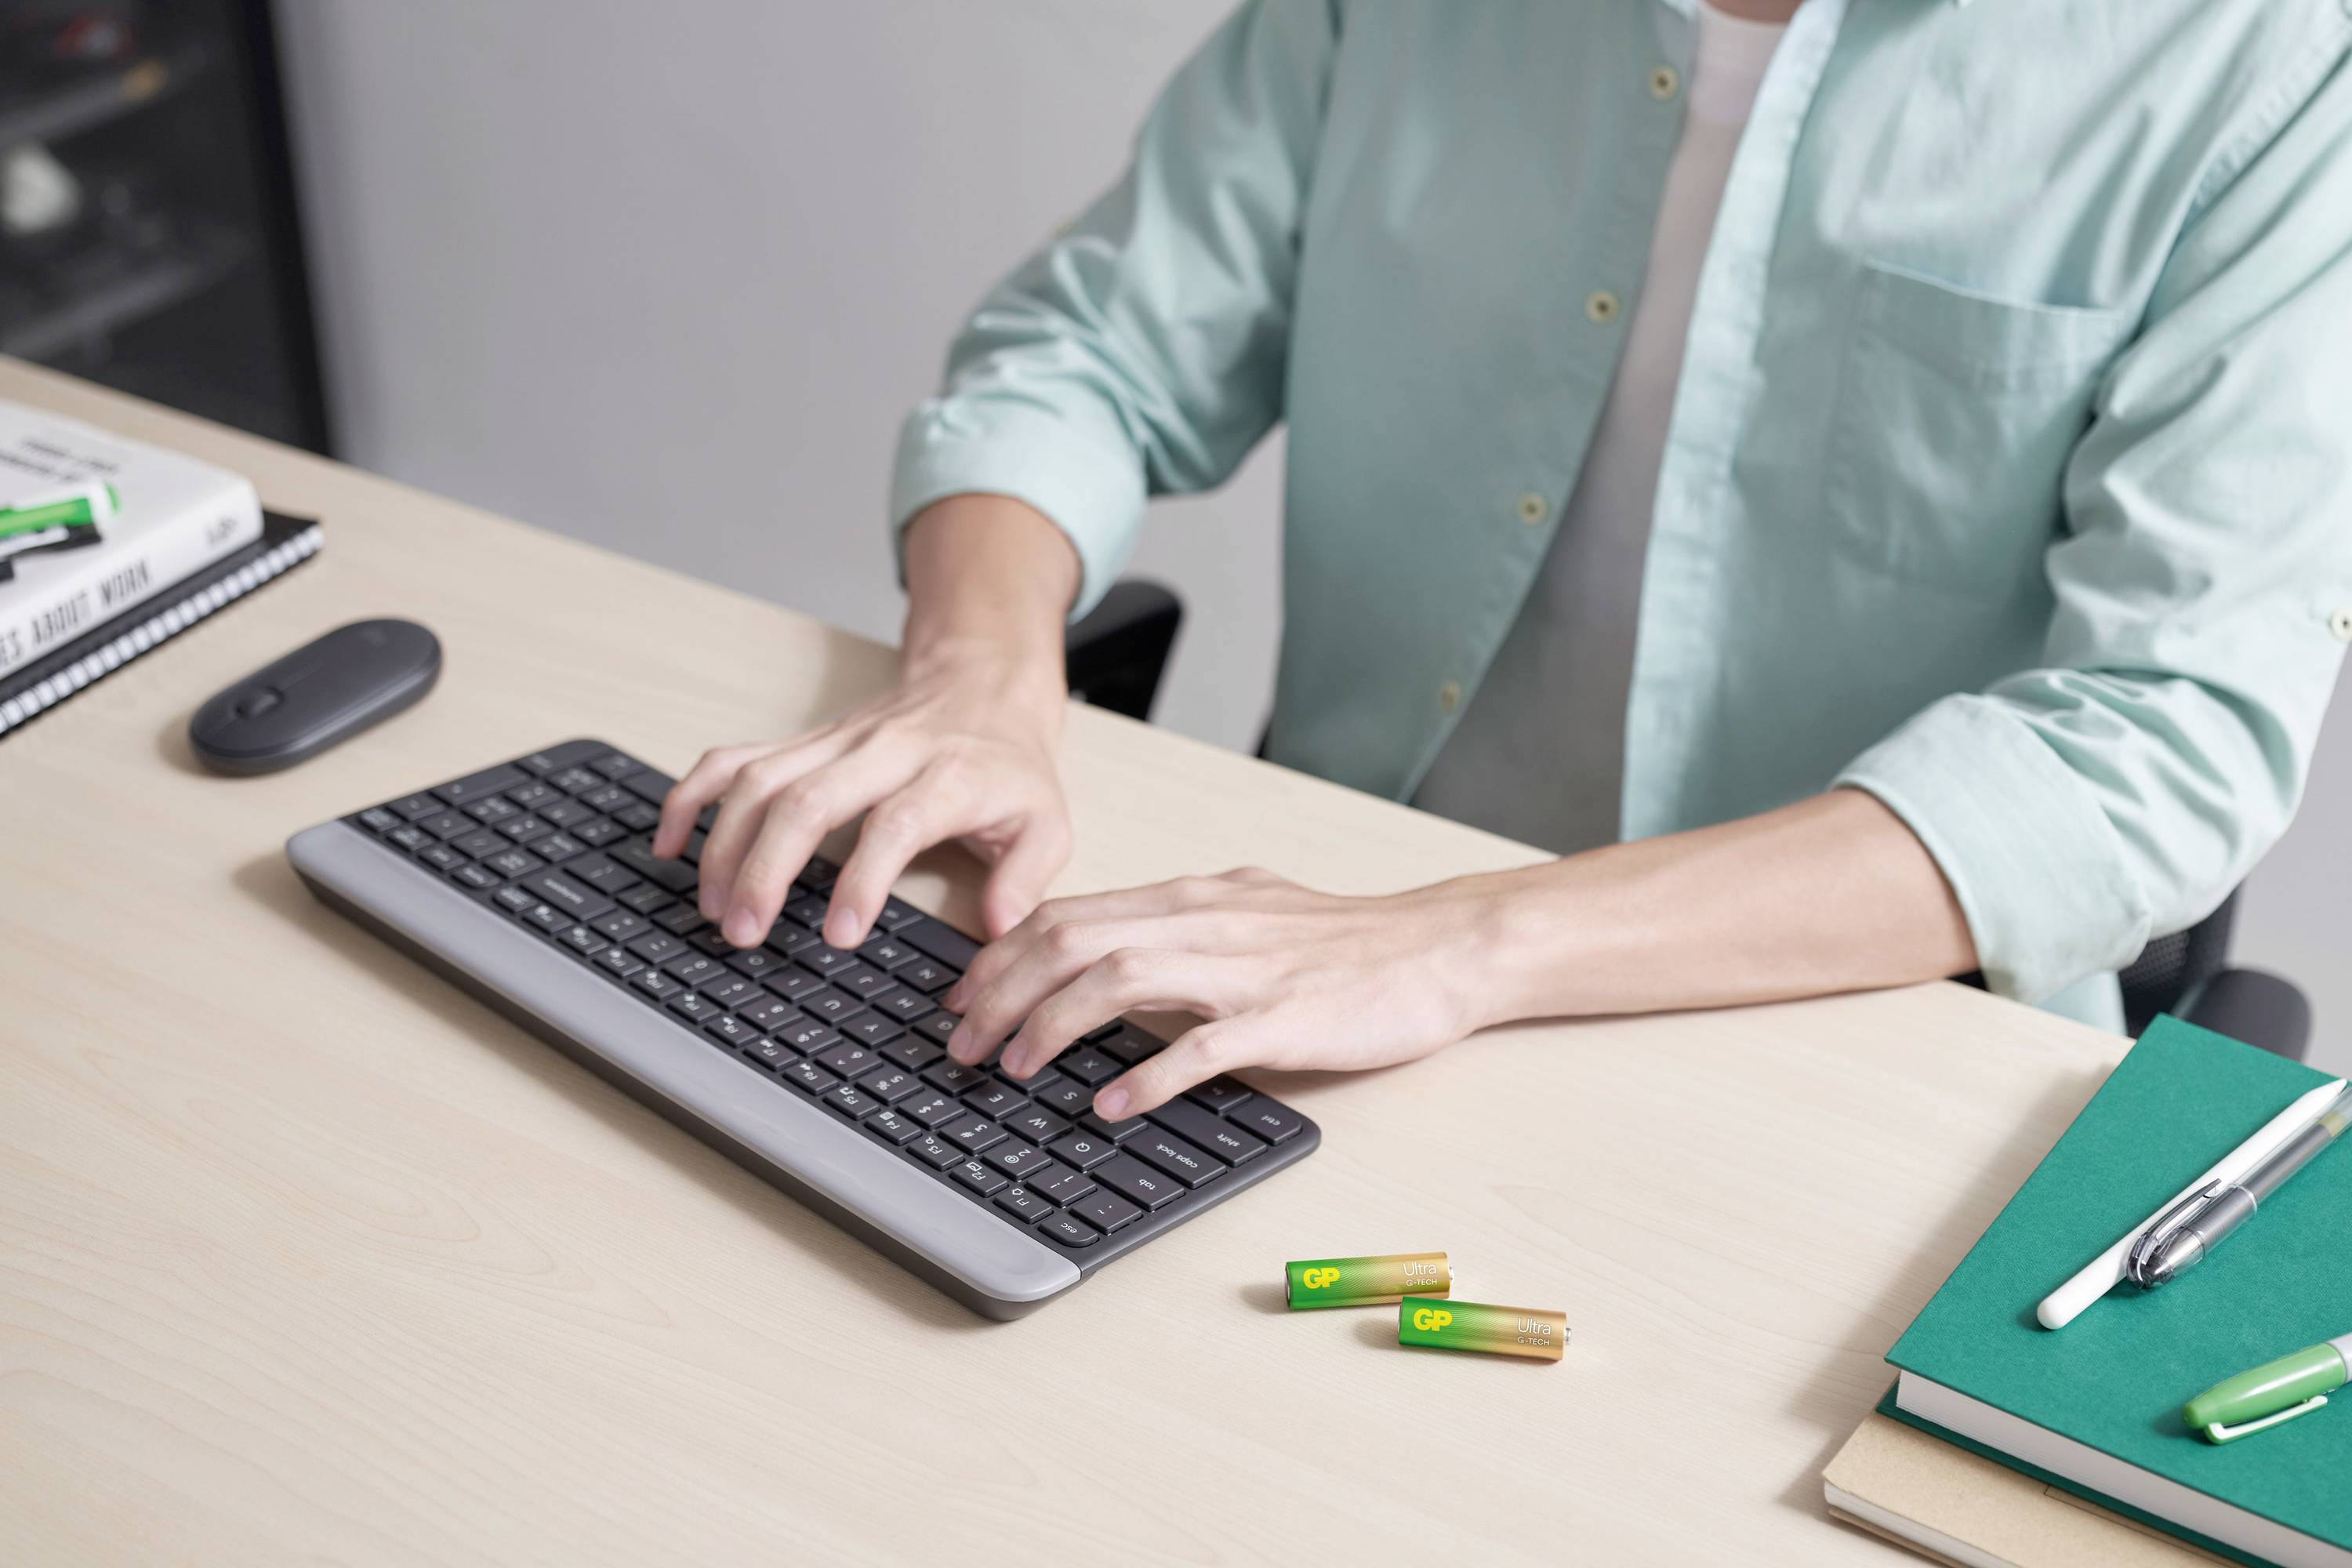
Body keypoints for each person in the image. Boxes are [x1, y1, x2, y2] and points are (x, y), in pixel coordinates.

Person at [656, 0, 2352, 1121]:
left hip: (1847, 1062)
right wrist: (979, 679)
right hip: (1303, 973)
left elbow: (2157, 737)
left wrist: (1465, 941)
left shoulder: (2267, 60)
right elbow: (1083, 356)